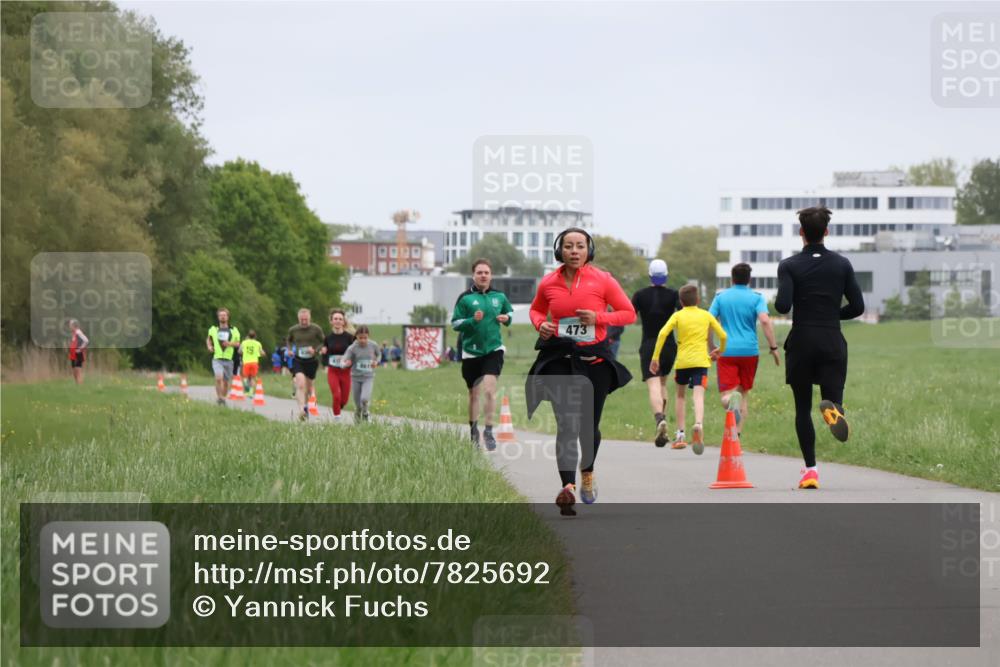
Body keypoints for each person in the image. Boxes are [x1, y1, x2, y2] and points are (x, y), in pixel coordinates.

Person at [526, 228, 635, 515]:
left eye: (580, 246)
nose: (574, 251)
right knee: (566, 425)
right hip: (562, 358)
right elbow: (536, 311)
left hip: (594, 361)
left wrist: (599, 317)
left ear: (589, 251)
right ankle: (567, 488)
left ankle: (587, 473)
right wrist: (542, 325)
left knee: (588, 427)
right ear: (559, 251)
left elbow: (628, 313)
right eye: (569, 246)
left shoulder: (603, 280)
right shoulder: (548, 282)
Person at [775, 206, 864, 489]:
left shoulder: (789, 265)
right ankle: (833, 409)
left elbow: (782, 306)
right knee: (832, 398)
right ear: (826, 232)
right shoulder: (842, 264)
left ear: (801, 233)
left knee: (802, 409)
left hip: (802, 341)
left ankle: (810, 471)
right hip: (830, 339)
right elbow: (858, 307)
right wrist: (831, 314)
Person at [650, 285, 727, 455]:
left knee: (680, 396)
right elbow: (723, 335)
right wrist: (719, 350)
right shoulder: (706, 315)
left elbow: (662, 334)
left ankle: (680, 434)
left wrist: (655, 357)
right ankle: (698, 424)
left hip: (682, 363)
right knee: (698, 395)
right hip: (701, 362)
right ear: (698, 300)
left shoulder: (677, 315)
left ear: (681, 301)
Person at [709, 262, 780, 436]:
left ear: (732, 278)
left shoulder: (721, 297)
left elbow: (708, 321)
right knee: (743, 394)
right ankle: (736, 436)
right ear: (749, 279)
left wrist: (710, 346)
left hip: (727, 350)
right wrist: (773, 347)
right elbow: (764, 321)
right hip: (750, 351)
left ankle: (729, 401)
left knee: (728, 395)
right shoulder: (756, 298)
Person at [451, 258, 514, 450]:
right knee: (474, 394)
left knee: (489, 389)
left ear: (491, 275)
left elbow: (510, 313)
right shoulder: (465, 298)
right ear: (473, 275)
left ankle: (488, 430)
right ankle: (473, 430)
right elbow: (455, 323)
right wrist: (472, 320)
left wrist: (506, 318)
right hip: (471, 352)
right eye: (479, 272)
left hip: (493, 350)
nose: (483, 275)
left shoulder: (499, 296)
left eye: (486, 272)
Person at [631, 259, 681, 447]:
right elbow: (683, 314)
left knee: (653, 385)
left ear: (650, 275)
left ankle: (659, 418)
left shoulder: (640, 295)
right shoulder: (674, 295)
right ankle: (663, 419)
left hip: (649, 344)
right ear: (666, 275)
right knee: (662, 384)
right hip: (668, 346)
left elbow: (629, 315)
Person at [286, 308, 326, 421]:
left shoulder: (316, 329)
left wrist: (316, 350)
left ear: (309, 318)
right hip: (298, 360)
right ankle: (301, 410)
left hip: (311, 361)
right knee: (300, 384)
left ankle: (306, 406)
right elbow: (288, 340)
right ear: (298, 318)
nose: (304, 321)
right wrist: (289, 350)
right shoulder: (293, 329)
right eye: (301, 319)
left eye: (306, 319)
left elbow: (324, 341)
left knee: (309, 388)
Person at [321, 309, 355, 421]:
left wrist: (351, 361)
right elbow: (324, 354)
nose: (338, 321)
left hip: (346, 372)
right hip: (333, 371)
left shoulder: (350, 338)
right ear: (331, 321)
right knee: (336, 395)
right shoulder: (327, 338)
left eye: (340, 319)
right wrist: (325, 364)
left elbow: (354, 353)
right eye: (335, 319)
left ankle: (337, 408)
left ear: (343, 322)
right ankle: (337, 418)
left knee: (344, 400)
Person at [342, 325, 381, 423]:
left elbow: (379, 354)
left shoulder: (373, 345)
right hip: (355, 378)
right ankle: (357, 419)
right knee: (358, 405)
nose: (363, 340)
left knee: (364, 399)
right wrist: (345, 364)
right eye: (360, 338)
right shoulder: (352, 348)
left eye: (365, 338)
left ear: (368, 336)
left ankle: (366, 413)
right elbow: (344, 359)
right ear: (356, 336)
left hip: (368, 377)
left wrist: (376, 362)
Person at [206, 308, 241, 406]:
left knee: (226, 382)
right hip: (217, 359)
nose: (222, 316)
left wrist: (230, 343)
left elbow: (238, 344)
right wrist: (209, 346)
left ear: (228, 317)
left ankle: (223, 398)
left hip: (229, 360)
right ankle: (219, 398)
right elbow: (209, 339)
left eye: (224, 315)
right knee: (218, 378)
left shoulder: (234, 330)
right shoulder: (213, 329)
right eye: (220, 315)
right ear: (218, 317)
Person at [240, 330, 265, 394]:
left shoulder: (244, 343)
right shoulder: (258, 343)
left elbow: (239, 351)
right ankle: (250, 392)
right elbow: (262, 353)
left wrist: (244, 352)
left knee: (245, 377)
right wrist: (262, 354)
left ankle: (246, 386)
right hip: (254, 362)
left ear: (248, 336)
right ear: (255, 336)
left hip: (246, 362)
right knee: (252, 378)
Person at [67, 319, 89, 385]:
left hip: (78, 353)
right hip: (73, 354)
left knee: (78, 370)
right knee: (74, 371)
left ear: (74, 325)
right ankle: (77, 385)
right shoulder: (74, 333)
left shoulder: (78, 332)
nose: (69, 327)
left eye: (70, 325)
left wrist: (80, 349)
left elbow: (86, 340)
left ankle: (80, 385)